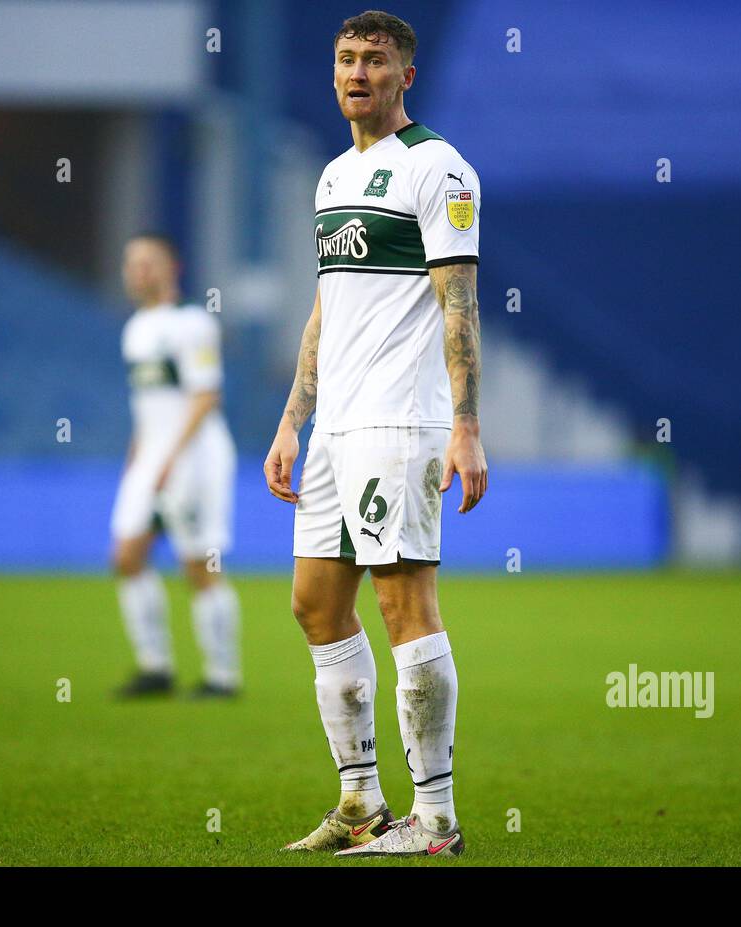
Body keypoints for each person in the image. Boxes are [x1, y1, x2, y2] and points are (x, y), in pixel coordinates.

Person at [264, 10, 486, 857]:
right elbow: (329, 306)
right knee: (316, 605)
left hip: (400, 422)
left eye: (375, 61)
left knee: (405, 608)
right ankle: (360, 803)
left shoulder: (439, 171)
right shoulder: (331, 178)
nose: (357, 72)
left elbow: (458, 303)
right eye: (346, 59)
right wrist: (294, 418)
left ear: (406, 77)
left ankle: (435, 823)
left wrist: (466, 429)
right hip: (335, 429)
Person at [110, 233, 241, 698]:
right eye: (131, 262)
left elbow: (205, 397)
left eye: (148, 261)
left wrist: (170, 458)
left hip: (196, 457)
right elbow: (149, 407)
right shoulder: (134, 329)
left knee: (198, 566)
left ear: (172, 267)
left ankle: (222, 676)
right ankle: (156, 668)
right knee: (126, 556)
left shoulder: (191, 324)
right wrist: (138, 460)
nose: (137, 270)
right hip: (152, 457)